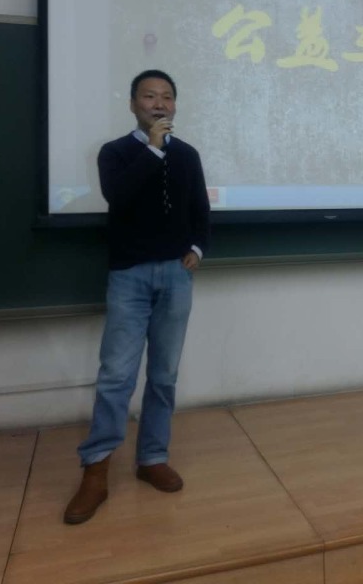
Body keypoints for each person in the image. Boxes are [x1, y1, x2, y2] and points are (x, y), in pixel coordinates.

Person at [64, 69, 210, 524]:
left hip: (176, 277)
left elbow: (200, 209)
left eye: (167, 97)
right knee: (116, 376)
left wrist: (197, 247)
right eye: (149, 96)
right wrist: (152, 148)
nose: (159, 104)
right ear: (133, 104)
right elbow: (118, 196)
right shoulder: (116, 152)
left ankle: (152, 458)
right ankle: (96, 470)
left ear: (175, 105)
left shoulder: (187, 154)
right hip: (129, 277)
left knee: (164, 376)